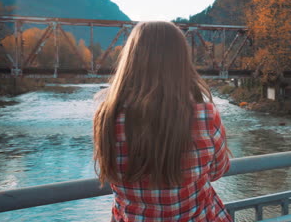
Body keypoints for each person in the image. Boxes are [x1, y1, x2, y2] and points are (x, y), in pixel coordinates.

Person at [93, 21, 232, 222]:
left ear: (131, 60)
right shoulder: (206, 115)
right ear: (181, 61)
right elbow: (218, 171)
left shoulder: (107, 115)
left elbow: (109, 171)